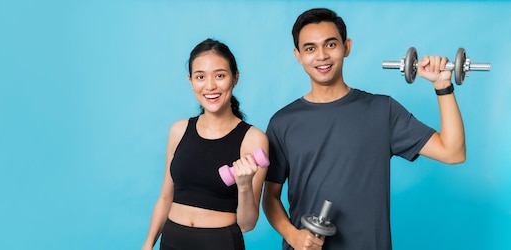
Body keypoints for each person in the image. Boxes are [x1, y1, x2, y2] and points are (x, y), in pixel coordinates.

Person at [262, 8, 466, 250]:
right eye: (310, 48)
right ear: (298, 55)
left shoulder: (382, 110)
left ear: (346, 47)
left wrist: (443, 85)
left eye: (330, 44)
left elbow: (453, 152)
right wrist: (293, 236)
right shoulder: (282, 122)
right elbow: (270, 197)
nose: (321, 56)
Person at [142, 38, 269, 250]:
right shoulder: (178, 130)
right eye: (200, 77)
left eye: (220, 75)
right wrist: (147, 245)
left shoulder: (253, 139)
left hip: (220, 244)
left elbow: (247, 224)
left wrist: (245, 185)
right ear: (190, 80)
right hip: (172, 241)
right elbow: (165, 197)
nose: (210, 86)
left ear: (235, 78)